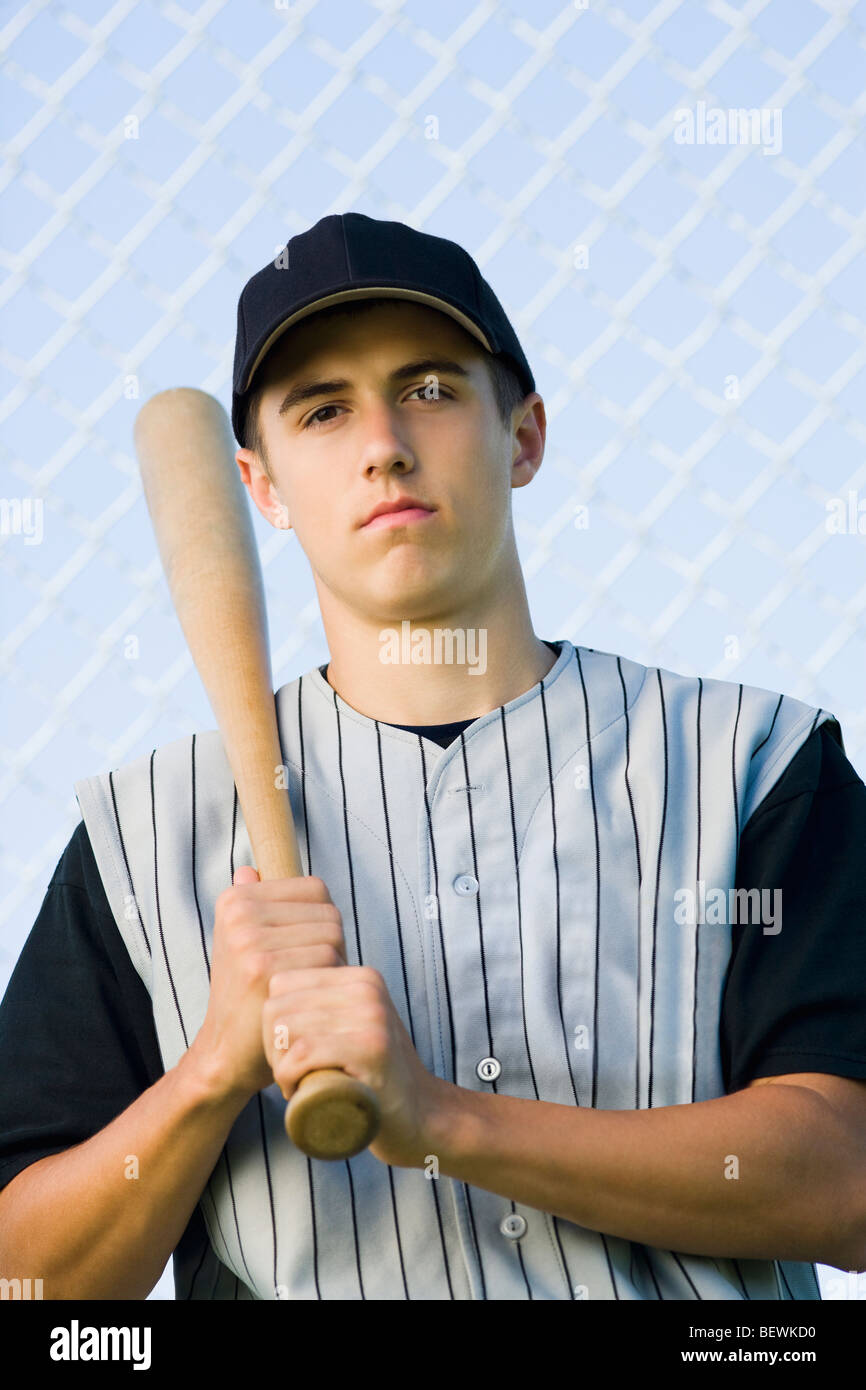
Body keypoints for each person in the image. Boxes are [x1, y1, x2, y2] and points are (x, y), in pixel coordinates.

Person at [1, 213, 865, 1301]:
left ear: (525, 435)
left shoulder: (747, 767)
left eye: (428, 389)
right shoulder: (143, 840)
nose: (382, 444)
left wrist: (444, 1118)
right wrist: (211, 1071)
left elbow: (845, 1178)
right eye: (321, 409)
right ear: (257, 485)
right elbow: (24, 1283)